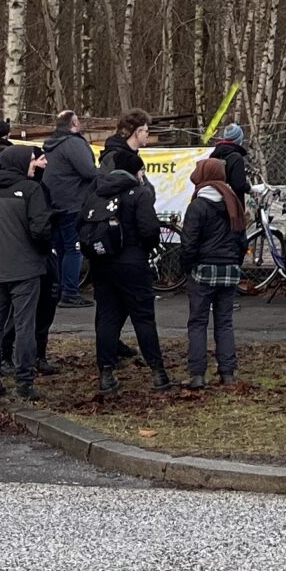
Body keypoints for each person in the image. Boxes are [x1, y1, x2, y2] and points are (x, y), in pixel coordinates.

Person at [89, 166, 172, 394]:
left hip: (102, 263)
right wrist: (144, 250)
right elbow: (150, 230)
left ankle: (106, 373)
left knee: (107, 318)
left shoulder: (97, 194)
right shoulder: (139, 194)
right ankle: (158, 373)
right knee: (143, 318)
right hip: (133, 263)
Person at [0, 144, 51, 401]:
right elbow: (40, 229)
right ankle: (24, 382)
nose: (35, 163)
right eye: (32, 160)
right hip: (26, 269)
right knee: (24, 326)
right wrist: (44, 252)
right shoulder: (32, 191)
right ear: (21, 163)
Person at [180, 155, 247, 389]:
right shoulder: (233, 201)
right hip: (229, 269)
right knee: (224, 322)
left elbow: (189, 243)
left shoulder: (197, 205)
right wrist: (235, 262)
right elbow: (241, 239)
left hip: (203, 270)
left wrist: (187, 267)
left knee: (198, 322)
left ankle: (197, 374)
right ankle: (227, 372)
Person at [42, 110, 99, 309]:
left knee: (60, 249)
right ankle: (70, 292)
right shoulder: (74, 144)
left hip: (53, 203)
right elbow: (89, 171)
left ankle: (58, 290)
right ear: (74, 123)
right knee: (74, 249)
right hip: (73, 203)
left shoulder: (50, 145)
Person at [209, 121, 252, 201]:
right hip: (232, 203)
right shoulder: (237, 158)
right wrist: (249, 188)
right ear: (239, 139)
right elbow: (239, 185)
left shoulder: (214, 155)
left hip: (215, 200)